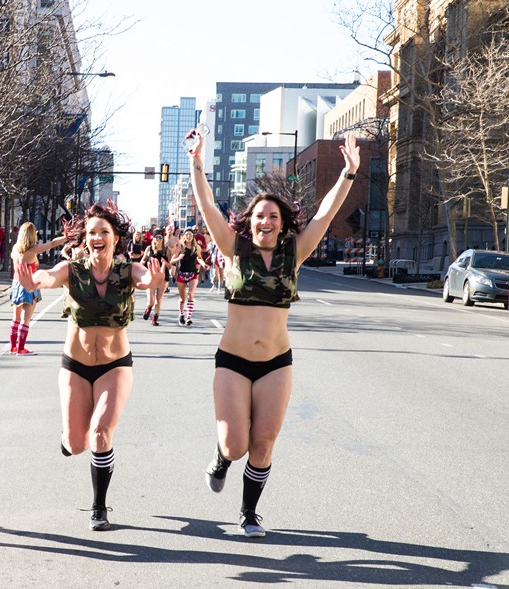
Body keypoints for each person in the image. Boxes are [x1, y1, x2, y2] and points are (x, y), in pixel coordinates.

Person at [187, 129, 360, 538]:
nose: (266, 221)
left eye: (273, 216)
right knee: (234, 445)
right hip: (232, 362)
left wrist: (349, 173)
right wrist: (197, 159)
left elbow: (325, 216)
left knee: (263, 443)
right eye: (260, 215)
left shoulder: (293, 253)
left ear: (282, 225)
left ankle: (248, 514)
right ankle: (221, 458)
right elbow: (207, 204)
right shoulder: (233, 248)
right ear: (251, 222)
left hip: (276, 363)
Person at [15, 204, 164, 531]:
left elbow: (144, 279)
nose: (98, 237)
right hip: (76, 367)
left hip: (115, 366)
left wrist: (153, 278)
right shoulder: (73, 269)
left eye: (104, 232)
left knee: (100, 434)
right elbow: (49, 277)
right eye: (92, 232)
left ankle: (99, 506)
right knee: (78, 443)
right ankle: (68, 440)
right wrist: (35, 278)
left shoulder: (128, 271)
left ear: (115, 239)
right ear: (85, 238)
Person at [9, 222, 66, 355]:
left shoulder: (15, 249)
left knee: (15, 317)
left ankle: (13, 346)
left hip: (16, 283)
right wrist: (66, 237)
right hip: (29, 284)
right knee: (26, 319)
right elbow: (52, 244)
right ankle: (21, 348)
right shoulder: (33, 249)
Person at [169, 228, 208, 326]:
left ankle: (188, 317)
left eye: (190, 234)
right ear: (184, 236)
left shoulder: (197, 247)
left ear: (193, 236)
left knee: (190, 295)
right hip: (182, 274)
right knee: (182, 298)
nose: (189, 236)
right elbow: (172, 261)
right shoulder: (180, 247)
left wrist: (204, 265)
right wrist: (178, 258)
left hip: (193, 274)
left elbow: (199, 258)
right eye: (187, 234)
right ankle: (181, 314)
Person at [140, 233, 169, 325]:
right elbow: (144, 259)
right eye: (156, 237)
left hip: (163, 276)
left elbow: (171, 265)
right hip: (151, 276)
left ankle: (155, 318)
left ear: (163, 239)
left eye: (160, 237)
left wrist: (165, 263)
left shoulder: (166, 250)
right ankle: (149, 308)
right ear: (154, 238)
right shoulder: (149, 249)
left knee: (159, 299)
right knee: (151, 300)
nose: (158, 239)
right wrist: (139, 268)